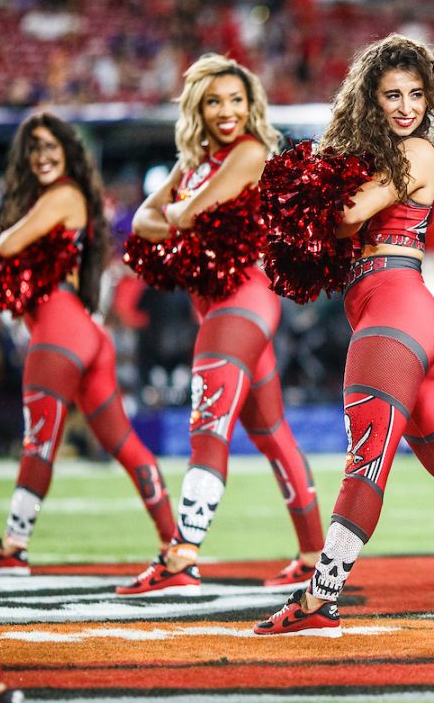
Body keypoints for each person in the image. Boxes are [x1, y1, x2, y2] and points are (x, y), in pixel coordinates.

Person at [253, 34, 434, 637]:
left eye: (416, 93)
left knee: (366, 464)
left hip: (395, 318)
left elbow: (348, 215)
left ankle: (320, 599)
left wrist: (310, 192)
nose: (407, 105)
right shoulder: (377, 156)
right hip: (405, 323)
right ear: (370, 100)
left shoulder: (417, 153)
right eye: (392, 95)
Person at [116, 54, 323, 595]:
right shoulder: (192, 165)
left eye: (235, 100)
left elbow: (185, 215)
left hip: (242, 301)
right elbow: (141, 222)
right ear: (198, 110)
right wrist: (178, 214)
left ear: (251, 104)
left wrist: (179, 216)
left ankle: (182, 555)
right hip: (217, 305)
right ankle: (313, 557)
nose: (226, 111)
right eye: (214, 101)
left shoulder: (252, 151)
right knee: (271, 434)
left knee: (208, 427)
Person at [0, 112, 175, 575]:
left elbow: (3, 247)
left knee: (39, 443)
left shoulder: (62, 194)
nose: (42, 156)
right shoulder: (61, 198)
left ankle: (14, 549)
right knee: (124, 445)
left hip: (61, 332)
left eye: (51, 146)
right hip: (84, 333)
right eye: (34, 148)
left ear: (68, 152)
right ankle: (177, 548)